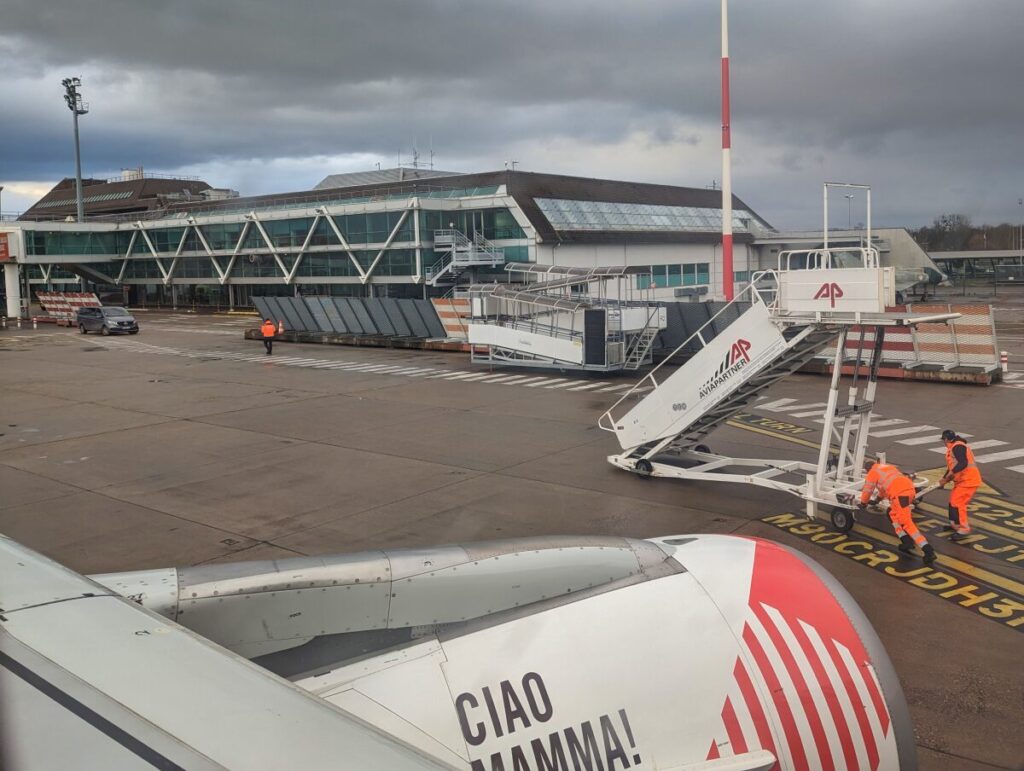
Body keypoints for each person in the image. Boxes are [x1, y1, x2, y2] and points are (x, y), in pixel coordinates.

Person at [860, 459, 936, 565]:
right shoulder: (887, 468)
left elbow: (868, 489)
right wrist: (877, 500)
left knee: (906, 523)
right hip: (909, 490)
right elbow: (884, 487)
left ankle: (928, 550)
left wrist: (863, 503)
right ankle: (906, 542)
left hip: (900, 495)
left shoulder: (872, 472)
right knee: (892, 514)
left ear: (867, 469)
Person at [939, 429, 982, 540]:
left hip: (968, 480)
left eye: (944, 440)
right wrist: (944, 479)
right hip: (962, 481)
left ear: (947, 439)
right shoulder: (953, 448)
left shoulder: (958, 447)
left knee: (958, 503)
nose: (944, 442)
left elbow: (963, 463)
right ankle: (955, 525)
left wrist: (948, 476)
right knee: (953, 502)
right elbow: (952, 468)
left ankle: (964, 529)